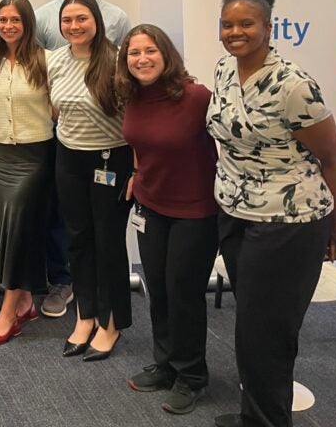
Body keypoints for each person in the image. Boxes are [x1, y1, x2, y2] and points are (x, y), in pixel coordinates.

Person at [207, 0, 336, 427]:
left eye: (246, 23)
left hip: (286, 223)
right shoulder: (223, 71)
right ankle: (255, 414)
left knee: (267, 333)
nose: (235, 31)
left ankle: (269, 421)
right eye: (228, 24)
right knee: (251, 327)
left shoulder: (293, 85)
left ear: (269, 28)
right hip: (235, 213)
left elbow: (331, 157)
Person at [117, 24, 219, 415]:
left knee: (184, 293)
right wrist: (137, 175)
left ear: (166, 54)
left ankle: (192, 376)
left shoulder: (196, 97)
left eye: (149, 51)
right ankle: (165, 364)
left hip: (195, 211)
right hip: (151, 205)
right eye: (133, 53)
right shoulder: (133, 96)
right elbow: (141, 145)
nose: (141, 59)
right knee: (157, 287)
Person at [33, 0, 131, 319]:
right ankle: (74, 296)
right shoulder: (44, 23)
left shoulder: (118, 22)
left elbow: (130, 86)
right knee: (70, 229)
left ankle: (111, 315)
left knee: (106, 237)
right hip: (65, 144)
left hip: (110, 151)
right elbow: (41, 81)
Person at [47, 0, 131, 361]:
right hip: (68, 158)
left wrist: (140, 166)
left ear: (96, 20)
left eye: (81, 19)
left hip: (110, 160)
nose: (74, 26)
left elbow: (135, 118)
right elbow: (55, 110)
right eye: (67, 20)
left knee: (108, 241)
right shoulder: (56, 60)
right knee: (78, 239)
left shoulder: (116, 62)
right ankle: (85, 315)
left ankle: (111, 323)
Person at [0, 0, 54, 347]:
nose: (8, 26)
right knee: (3, 230)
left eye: (15, 20)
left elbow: (60, 108)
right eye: (2, 20)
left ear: (28, 24)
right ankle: (24, 301)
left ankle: (8, 313)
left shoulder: (47, 61)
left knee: (19, 229)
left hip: (35, 156)